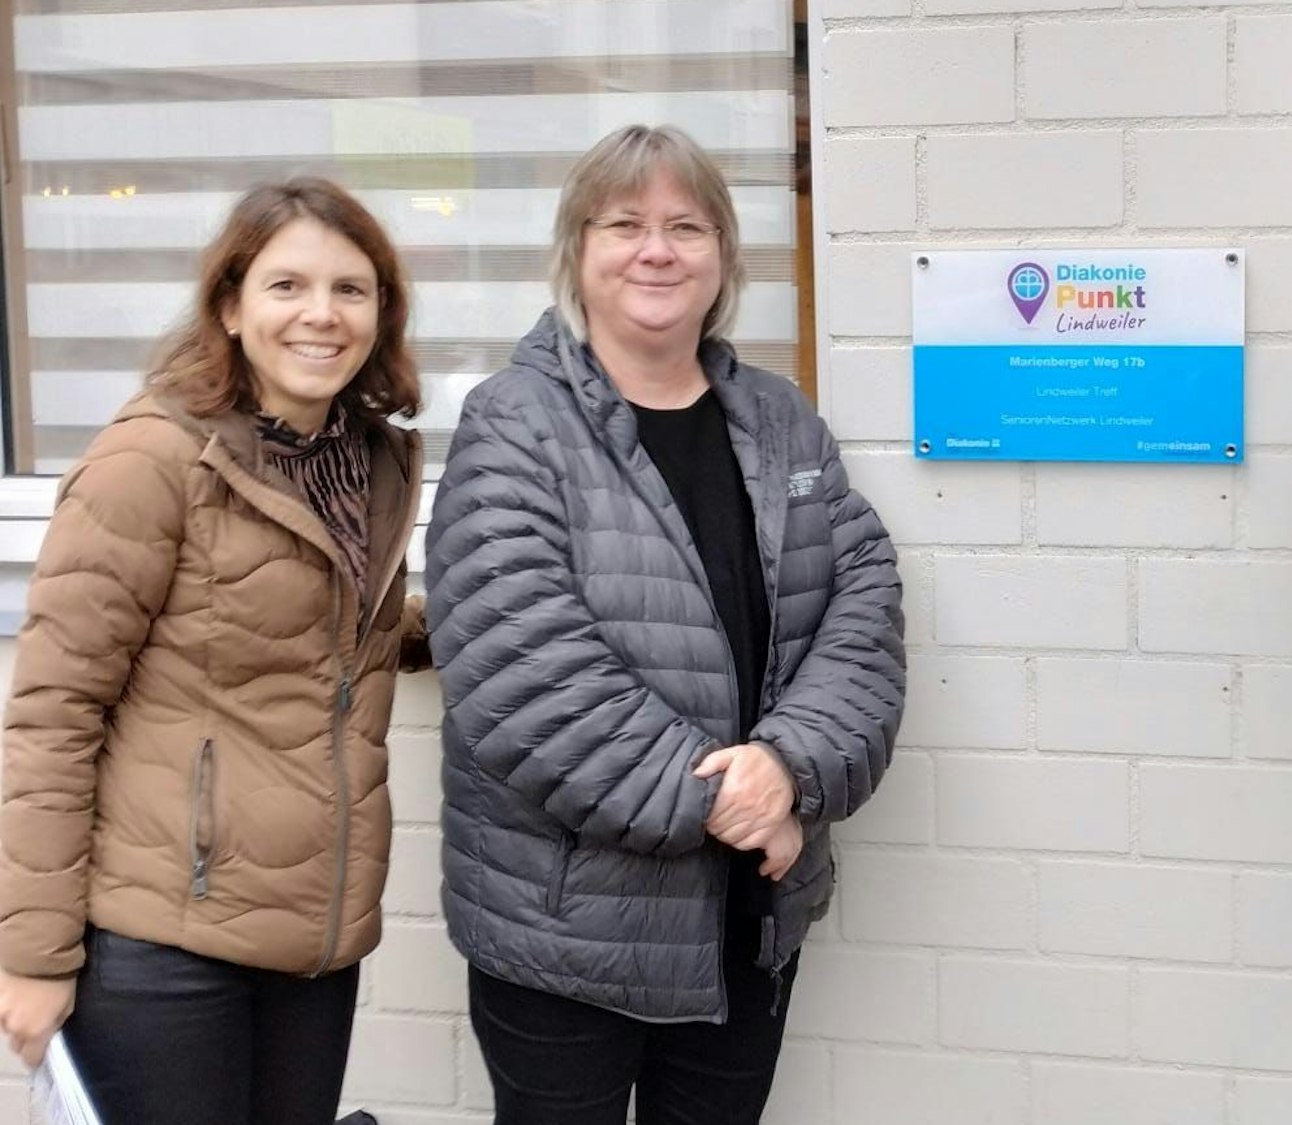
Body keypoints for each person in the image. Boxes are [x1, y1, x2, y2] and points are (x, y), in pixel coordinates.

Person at [425, 123, 904, 1125]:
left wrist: (789, 768)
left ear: (722, 258)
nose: (657, 249)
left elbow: (861, 608)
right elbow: (525, 672)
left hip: (746, 917)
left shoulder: (779, 422)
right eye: (624, 224)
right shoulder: (513, 422)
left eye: (687, 226)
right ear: (578, 253)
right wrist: (733, 805)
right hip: (566, 935)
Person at [0, 178, 427, 1123]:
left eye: (351, 290)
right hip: (163, 948)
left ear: (380, 313)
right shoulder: (151, 461)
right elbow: (52, 717)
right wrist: (31, 955)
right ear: (230, 307)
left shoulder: (374, 463)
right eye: (286, 286)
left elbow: (321, 622)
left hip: (315, 942)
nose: (320, 314)